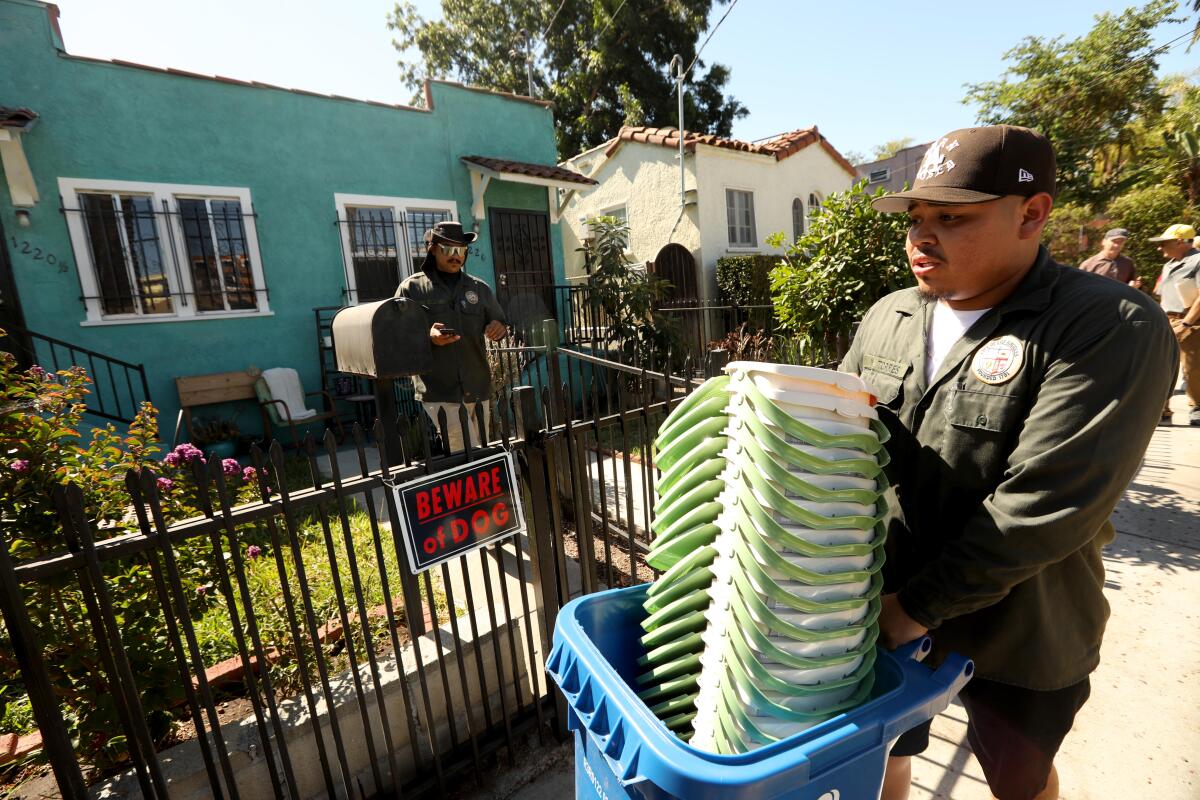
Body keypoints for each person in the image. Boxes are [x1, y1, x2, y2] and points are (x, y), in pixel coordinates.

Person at [839, 125, 1177, 800]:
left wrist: (917, 608)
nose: (921, 238)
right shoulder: (890, 316)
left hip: (1023, 630)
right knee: (884, 758)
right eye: (917, 218)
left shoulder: (1110, 325)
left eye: (953, 218)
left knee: (1017, 780)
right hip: (885, 603)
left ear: (1032, 213)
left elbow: (1048, 503)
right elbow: (839, 443)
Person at [395, 221, 507, 452]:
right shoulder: (411, 289)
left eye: (461, 250)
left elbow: (500, 323)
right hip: (440, 389)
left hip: (477, 386)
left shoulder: (480, 289)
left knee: (481, 451)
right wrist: (429, 337)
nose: (455, 256)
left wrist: (499, 328)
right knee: (462, 452)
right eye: (448, 249)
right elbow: (397, 337)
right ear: (432, 249)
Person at [1148, 223, 1200, 425]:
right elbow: (1161, 294)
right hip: (1168, 319)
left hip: (1191, 322)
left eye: (1164, 243)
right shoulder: (1169, 264)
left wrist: (1186, 324)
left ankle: (1197, 406)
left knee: (1192, 367)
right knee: (1161, 364)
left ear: (1180, 242)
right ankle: (1162, 408)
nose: (1160, 248)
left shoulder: (1197, 261)